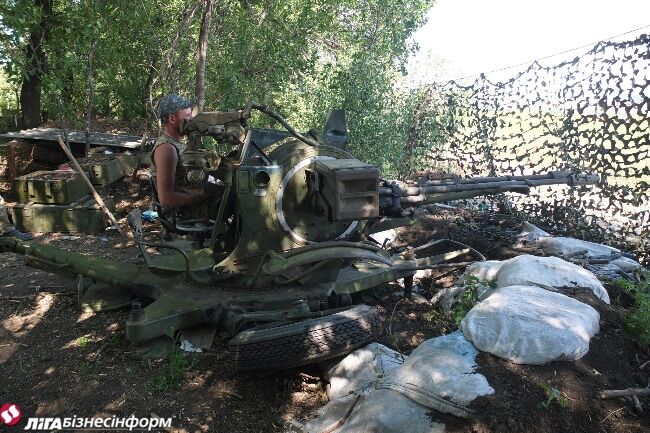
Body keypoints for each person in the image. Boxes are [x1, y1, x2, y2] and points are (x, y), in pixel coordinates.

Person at [151, 94, 203, 207]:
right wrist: (201, 198)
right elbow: (166, 198)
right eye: (188, 115)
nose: (192, 119)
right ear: (172, 118)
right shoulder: (167, 148)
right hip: (182, 214)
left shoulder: (175, 144)